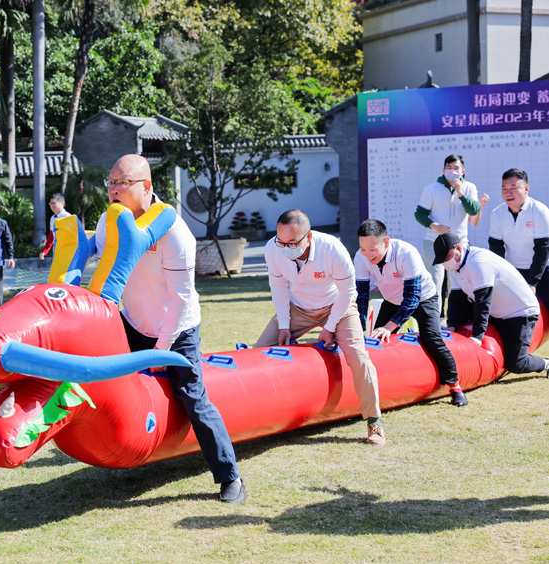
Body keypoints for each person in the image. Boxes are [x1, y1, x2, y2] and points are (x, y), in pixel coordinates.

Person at [95, 154, 245, 503]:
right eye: (111, 182)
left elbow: (180, 299)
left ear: (146, 187)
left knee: (192, 397)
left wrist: (160, 350)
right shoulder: (108, 221)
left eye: (123, 183)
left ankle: (230, 476)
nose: (114, 190)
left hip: (176, 329)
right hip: (131, 321)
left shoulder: (175, 230)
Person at [255, 210, 385, 445]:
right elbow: (278, 287)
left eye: (292, 242)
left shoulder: (331, 248)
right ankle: (259, 416)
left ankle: (373, 422)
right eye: (281, 241)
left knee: (358, 356)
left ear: (309, 237)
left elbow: (348, 293)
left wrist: (331, 326)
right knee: (259, 351)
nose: (285, 247)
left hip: (338, 307)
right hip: (298, 308)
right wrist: (284, 324)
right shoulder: (272, 249)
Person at [355, 219, 466, 406]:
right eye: (363, 249)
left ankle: (455, 387)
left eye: (372, 249)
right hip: (392, 300)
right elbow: (362, 297)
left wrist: (389, 327)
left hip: (423, 298)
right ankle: (379, 385)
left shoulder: (406, 253)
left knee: (432, 338)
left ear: (386, 242)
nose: (367, 254)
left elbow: (412, 298)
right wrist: (358, 328)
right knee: (376, 341)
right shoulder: (360, 257)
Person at [433, 232, 549, 377]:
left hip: (521, 313)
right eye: (442, 260)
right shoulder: (455, 268)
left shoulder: (478, 262)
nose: (446, 263)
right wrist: (452, 325)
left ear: (459, 248)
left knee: (516, 363)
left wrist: (477, 336)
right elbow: (457, 299)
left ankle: (546, 363)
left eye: (448, 257)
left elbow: (483, 302)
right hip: (497, 312)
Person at [414, 155, 488, 315]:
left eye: (456, 168)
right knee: (436, 282)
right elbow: (420, 214)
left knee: (461, 283)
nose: (453, 171)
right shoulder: (431, 189)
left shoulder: (469, 187)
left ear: (463, 171)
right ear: (443, 170)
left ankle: (459, 319)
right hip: (433, 241)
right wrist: (435, 226)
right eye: (449, 167)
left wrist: (461, 193)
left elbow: (474, 210)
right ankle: (435, 320)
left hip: (459, 245)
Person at [488, 168, 549, 310]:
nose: (508, 193)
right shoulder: (497, 213)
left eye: (513, 188)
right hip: (515, 270)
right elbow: (496, 249)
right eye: (504, 189)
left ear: (526, 189)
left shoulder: (540, 211)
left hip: (543, 270)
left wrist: (533, 283)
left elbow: (543, 250)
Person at [39, 193, 70, 260]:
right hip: (56, 252)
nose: (52, 205)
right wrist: (44, 251)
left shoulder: (68, 217)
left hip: (68, 252)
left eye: (54, 203)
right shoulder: (52, 218)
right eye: (50, 203)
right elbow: (52, 236)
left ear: (62, 203)